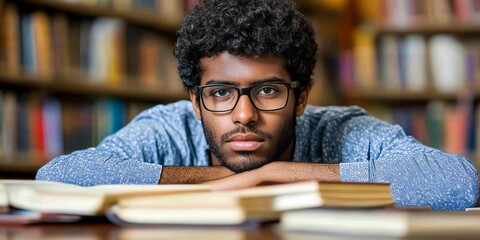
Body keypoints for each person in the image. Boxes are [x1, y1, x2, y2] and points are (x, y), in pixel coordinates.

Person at [36, 0, 478, 210]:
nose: (243, 115)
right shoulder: (168, 128)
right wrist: (223, 179)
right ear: (195, 101)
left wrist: (277, 175)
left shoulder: (343, 130)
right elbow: (59, 178)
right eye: (221, 93)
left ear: (301, 96)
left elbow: (455, 183)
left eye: (268, 91)